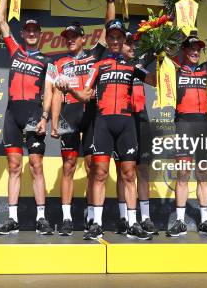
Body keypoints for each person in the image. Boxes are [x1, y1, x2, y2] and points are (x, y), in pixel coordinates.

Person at [57, 19, 156, 240]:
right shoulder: (98, 65)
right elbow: (84, 94)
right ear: (107, 39)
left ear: (123, 41)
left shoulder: (133, 66)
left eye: (118, 37)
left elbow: (155, 81)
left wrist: (164, 59)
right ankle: (97, 224)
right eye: (110, 37)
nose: (114, 41)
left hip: (126, 124)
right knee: (99, 173)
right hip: (102, 124)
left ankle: (133, 223)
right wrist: (70, 92)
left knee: (128, 174)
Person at [0, 0, 54, 235]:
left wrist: (44, 118)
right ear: (23, 34)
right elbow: (0, 20)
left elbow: (50, 92)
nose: (31, 34)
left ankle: (41, 217)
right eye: (27, 31)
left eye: (35, 31)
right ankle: (12, 218)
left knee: (36, 165)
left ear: (39, 35)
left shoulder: (46, 62)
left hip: (33, 113)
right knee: (14, 167)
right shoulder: (15, 51)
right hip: (11, 114)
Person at [166, 18, 207, 238]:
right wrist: (172, 19)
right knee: (183, 173)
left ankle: (204, 221)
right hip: (184, 123)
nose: (195, 52)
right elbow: (162, 51)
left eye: (198, 49)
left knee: (203, 174)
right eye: (191, 48)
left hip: (204, 123)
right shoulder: (175, 68)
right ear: (184, 50)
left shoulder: (205, 68)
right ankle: (180, 221)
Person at [114, 32, 157, 235]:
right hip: (122, 118)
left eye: (134, 44)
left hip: (142, 118)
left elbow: (155, 81)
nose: (132, 47)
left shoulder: (140, 63)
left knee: (143, 170)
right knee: (124, 170)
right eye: (128, 43)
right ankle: (124, 217)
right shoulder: (113, 63)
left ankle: (146, 217)